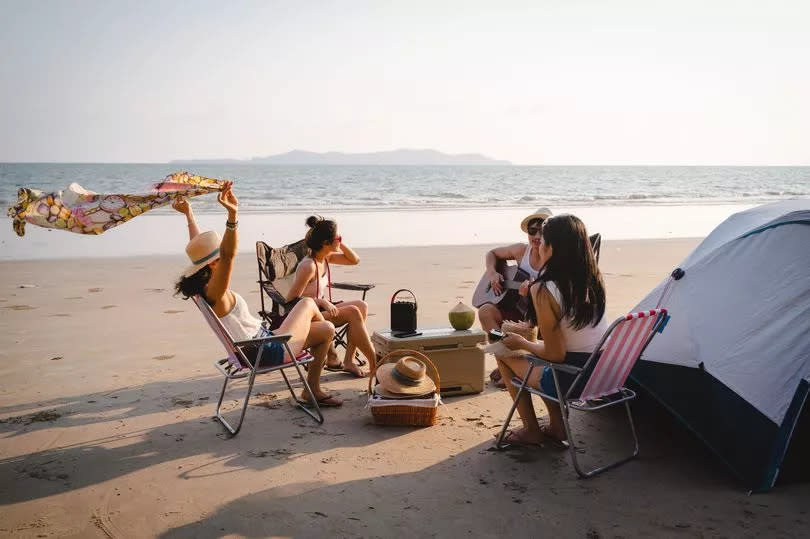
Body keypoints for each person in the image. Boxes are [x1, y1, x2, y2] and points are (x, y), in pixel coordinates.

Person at [172, 184, 343, 407]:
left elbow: (201, 249)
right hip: (266, 351)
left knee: (327, 329)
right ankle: (322, 371)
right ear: (214, 264)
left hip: (260, 343)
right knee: (309, 303)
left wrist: (189, 214)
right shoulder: (216, 293)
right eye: (218, 260)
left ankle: (317, 379)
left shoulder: (202, 288)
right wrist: (232, 215)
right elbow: (228, 255)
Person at [494, 214, 607, 447]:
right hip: (604, 374)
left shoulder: (545, 289)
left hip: (573, 379)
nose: (539, 244)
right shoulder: (593, 279)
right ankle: (557, 427)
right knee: (538, 356)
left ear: (552, 248)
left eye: (543, 240)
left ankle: (532, 430)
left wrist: (522, 343)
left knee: (503, 353)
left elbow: (555, 354)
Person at [284, 215, 376, 378]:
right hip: (308, 317)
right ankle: (375, 364)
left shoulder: (326, 257)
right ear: (326, 243)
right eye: (337, 238)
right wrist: (321, 301)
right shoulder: (308, 266)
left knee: (362, 306)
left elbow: (355, 260)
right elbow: (291, 300)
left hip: (321, 310)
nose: (340, 240)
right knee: (354, 311)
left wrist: (339, 242)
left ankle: (348, 361)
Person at [478, 207, 552, 388]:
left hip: (542, 316)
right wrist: (492, 273)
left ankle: (513, 368)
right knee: (485, 312)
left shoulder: (554, 258)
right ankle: (505, 361)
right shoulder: (521, 251)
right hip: (517, 309)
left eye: (541, 231)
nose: (536, 235)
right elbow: (492, 253)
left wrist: (534, 294)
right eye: (532, 230)